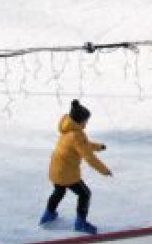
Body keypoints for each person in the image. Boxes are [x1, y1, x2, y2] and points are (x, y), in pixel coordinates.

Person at [40, 99, 112, 235]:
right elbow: (89, 157)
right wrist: (104, 170)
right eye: (86, 121)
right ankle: (80, 223)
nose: (86, 124)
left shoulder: (68, 129)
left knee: (59, 192)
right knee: (85, 194)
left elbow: (83, 145)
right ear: (80, 121)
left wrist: (98, 147)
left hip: (55, 170)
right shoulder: (77, 135)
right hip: (67, 173)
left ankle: (48, 215)